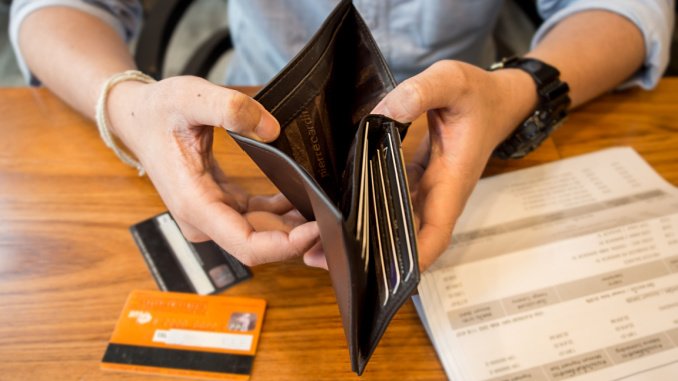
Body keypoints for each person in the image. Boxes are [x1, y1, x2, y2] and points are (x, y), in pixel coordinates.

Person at [9, 0, 674, 270]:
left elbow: (631, 7)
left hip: (472, 134)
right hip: (255, 151)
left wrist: (517, 90)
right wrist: (129, 106)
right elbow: (53, 9)